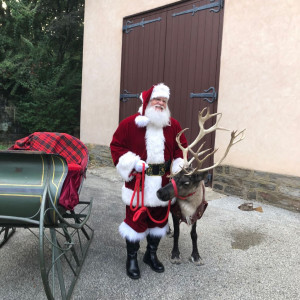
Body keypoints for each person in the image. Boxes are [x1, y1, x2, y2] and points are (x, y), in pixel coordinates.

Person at [110, 83, 187, 279]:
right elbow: (116, 147)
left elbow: (181, 149)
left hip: (163, 185)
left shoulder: (173, 125)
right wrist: (133, 163)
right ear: (147, 101)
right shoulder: (129, 124)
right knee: (135, 223)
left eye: (164, 100)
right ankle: (132, 258)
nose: (160, 103)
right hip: (138, 184)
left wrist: (179, 165)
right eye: (157, 99)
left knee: (159, 221)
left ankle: (150, 255)